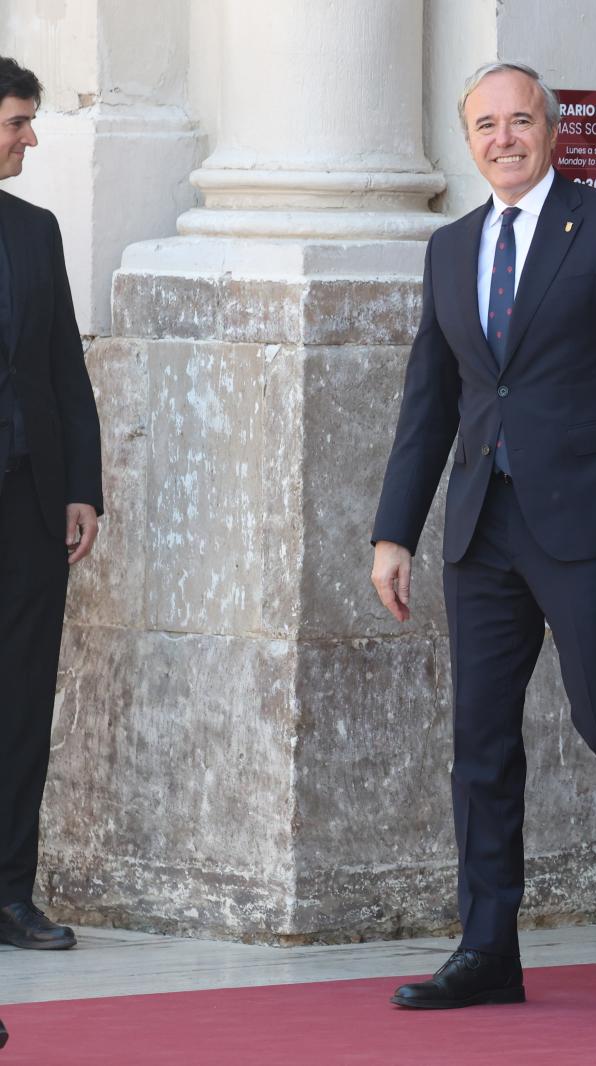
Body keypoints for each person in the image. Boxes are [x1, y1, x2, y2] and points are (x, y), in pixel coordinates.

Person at [370, 61, 596, 1008]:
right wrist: (394, 531)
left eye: (520, 120)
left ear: (553, 129)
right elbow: (430, 400)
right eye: (486, 124)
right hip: (481, 528)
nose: (504, 138)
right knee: (481, 741)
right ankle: (488, 949)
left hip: (588, 525)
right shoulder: (449, 247)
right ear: (469, 140)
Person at [0, 55, 103, 954]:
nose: (29, 138)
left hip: (28, 505)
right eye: (16, 122)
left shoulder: (37, 232)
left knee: (22, 703)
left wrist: (81, 488)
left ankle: (9, 896)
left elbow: (66, 367)